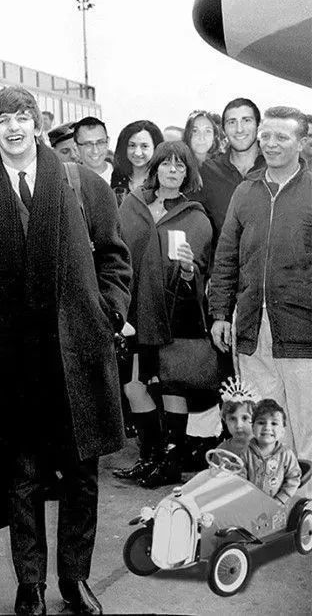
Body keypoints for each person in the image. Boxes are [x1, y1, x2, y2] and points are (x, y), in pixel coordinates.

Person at [0, 87, 132, 616]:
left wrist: (107, 317)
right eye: (2, 120)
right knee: (24, 475)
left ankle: (75, 579)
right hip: (16, 362)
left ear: (38, 123)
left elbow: (115, 258)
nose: (13, 128)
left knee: (81, 475)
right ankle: (29, 582)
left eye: (22, 118)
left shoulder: (84, 184)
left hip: (77, 353)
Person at [209, 106, 312, 463]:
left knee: (306, 426)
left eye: (281, 137)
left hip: (303, 332)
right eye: (265, 135)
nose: (270, 143)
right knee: (266, 428)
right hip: (253, 329)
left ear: (302, 141)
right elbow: (225, 258)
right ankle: (275, 506)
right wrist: (221, 313)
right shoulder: (245, 192)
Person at [114, 142, 213, 488]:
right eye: (167, 164)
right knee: (132, 385)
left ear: (188, 174)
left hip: (173, 316)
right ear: (155, 168)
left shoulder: (195, 216)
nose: (173, 170)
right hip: (132, 311)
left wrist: (188, 269)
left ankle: (170, 462)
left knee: (173, 385)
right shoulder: (132, 204)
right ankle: (149, 457)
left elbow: (199, 273)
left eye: (180, 166)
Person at [188, 98, 265, 243]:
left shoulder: (276, 168)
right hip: (222, 263)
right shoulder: (206, 172)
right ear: (224, 129)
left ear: (258, 126)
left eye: (246, 120)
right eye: (232, 122)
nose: (239, 129)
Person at [242, 398, 302, 503]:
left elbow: (293, 479)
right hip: (250, 502)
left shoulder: (286, 455)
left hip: (277, 505)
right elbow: (239, 476)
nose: (267, 427)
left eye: (274, 423)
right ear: (252, 428)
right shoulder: (246, 452)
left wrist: (280, 499)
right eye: (261, 422)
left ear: (282, 431)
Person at [111, 120, 162, 205]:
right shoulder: (118, 176)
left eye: (144, 146)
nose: (137, 153)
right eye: (132, 145)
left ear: (155, 147)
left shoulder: (162, 178)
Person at [217, 376, 256, 457]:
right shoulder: (222, 451)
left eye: (245, 418)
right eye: (232, 419)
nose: (238, 425)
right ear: (225, 420)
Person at [72, 116, 113, 184]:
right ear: (76, 148)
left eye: (100, 142)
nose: (95, 151)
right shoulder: (67, 183)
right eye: (88, 144)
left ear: (107, 142)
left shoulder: (126, 176)